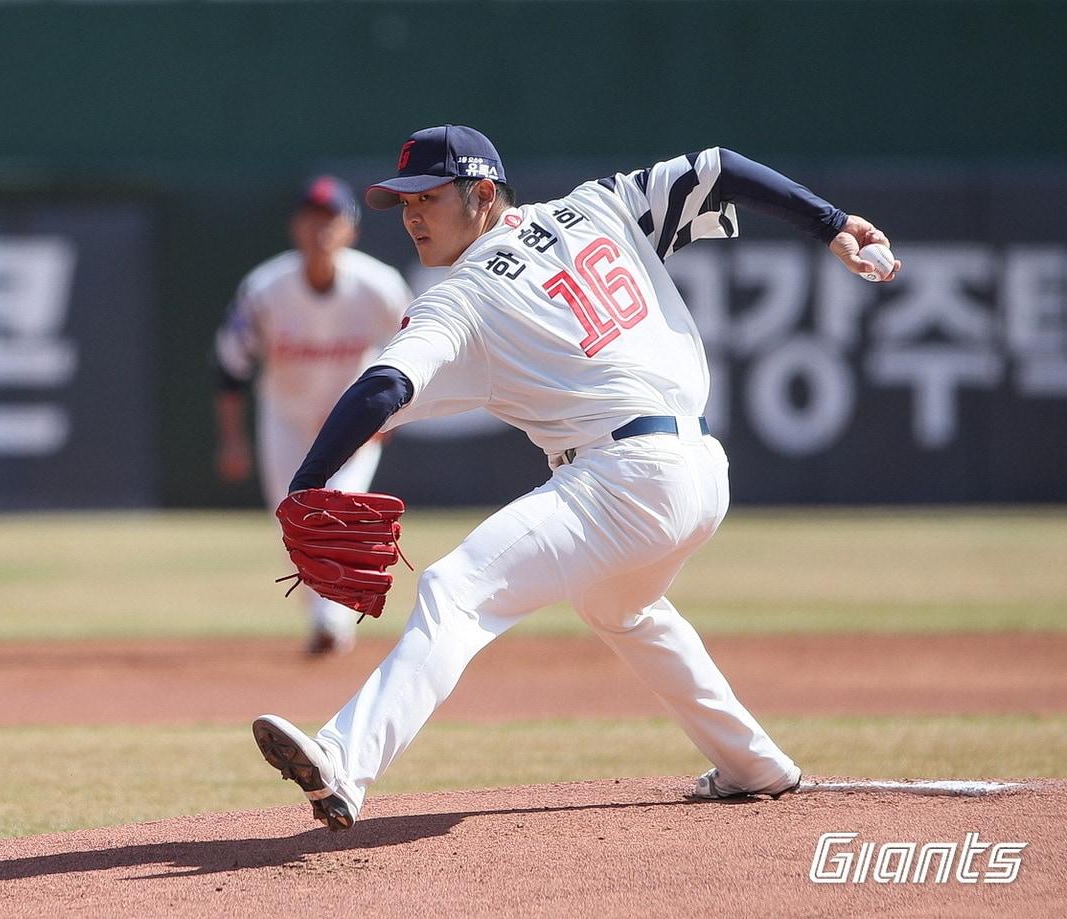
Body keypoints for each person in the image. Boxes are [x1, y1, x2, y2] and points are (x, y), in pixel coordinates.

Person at [252, 125, 900, 830]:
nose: (410, 215)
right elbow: (722, 166)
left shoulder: (459, 295)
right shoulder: (601, 205)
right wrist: (832, 225)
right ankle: (753, 763)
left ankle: (344, 761)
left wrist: (306, 481)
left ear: (483, 194)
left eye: (428, 198)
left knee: (456, 588)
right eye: (402, 201)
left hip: (622, 479)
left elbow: (384, 386)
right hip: (701, 473)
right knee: (621, 608)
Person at [214, 175, 413, 656]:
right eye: (311, 217)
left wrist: (395, 417)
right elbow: (230, 367)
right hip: (285, 418)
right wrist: (232, 439)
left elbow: (419, 351)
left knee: (339, 512)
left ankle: (332, 623)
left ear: (351, 230)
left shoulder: (379, 286)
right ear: (295, 227)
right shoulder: (264, 288)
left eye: (331, 218)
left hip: (353, 422)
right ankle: (325, 618)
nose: (320, 228)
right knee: (294, 523)